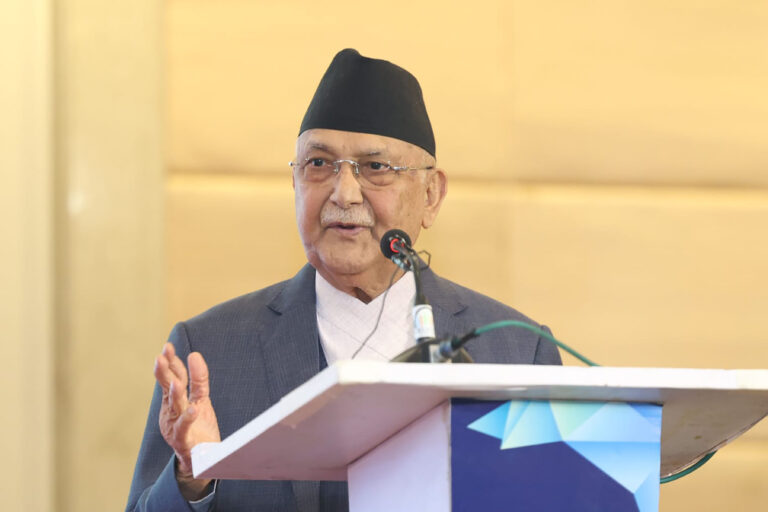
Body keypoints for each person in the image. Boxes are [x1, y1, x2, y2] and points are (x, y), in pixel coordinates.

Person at [126, 48, 562, 512]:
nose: (344, 192)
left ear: (431, 195)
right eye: (319, 164)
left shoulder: (517, 353)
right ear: (295, 183)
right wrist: (191, 481)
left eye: (376, 168)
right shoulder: (211, 352)